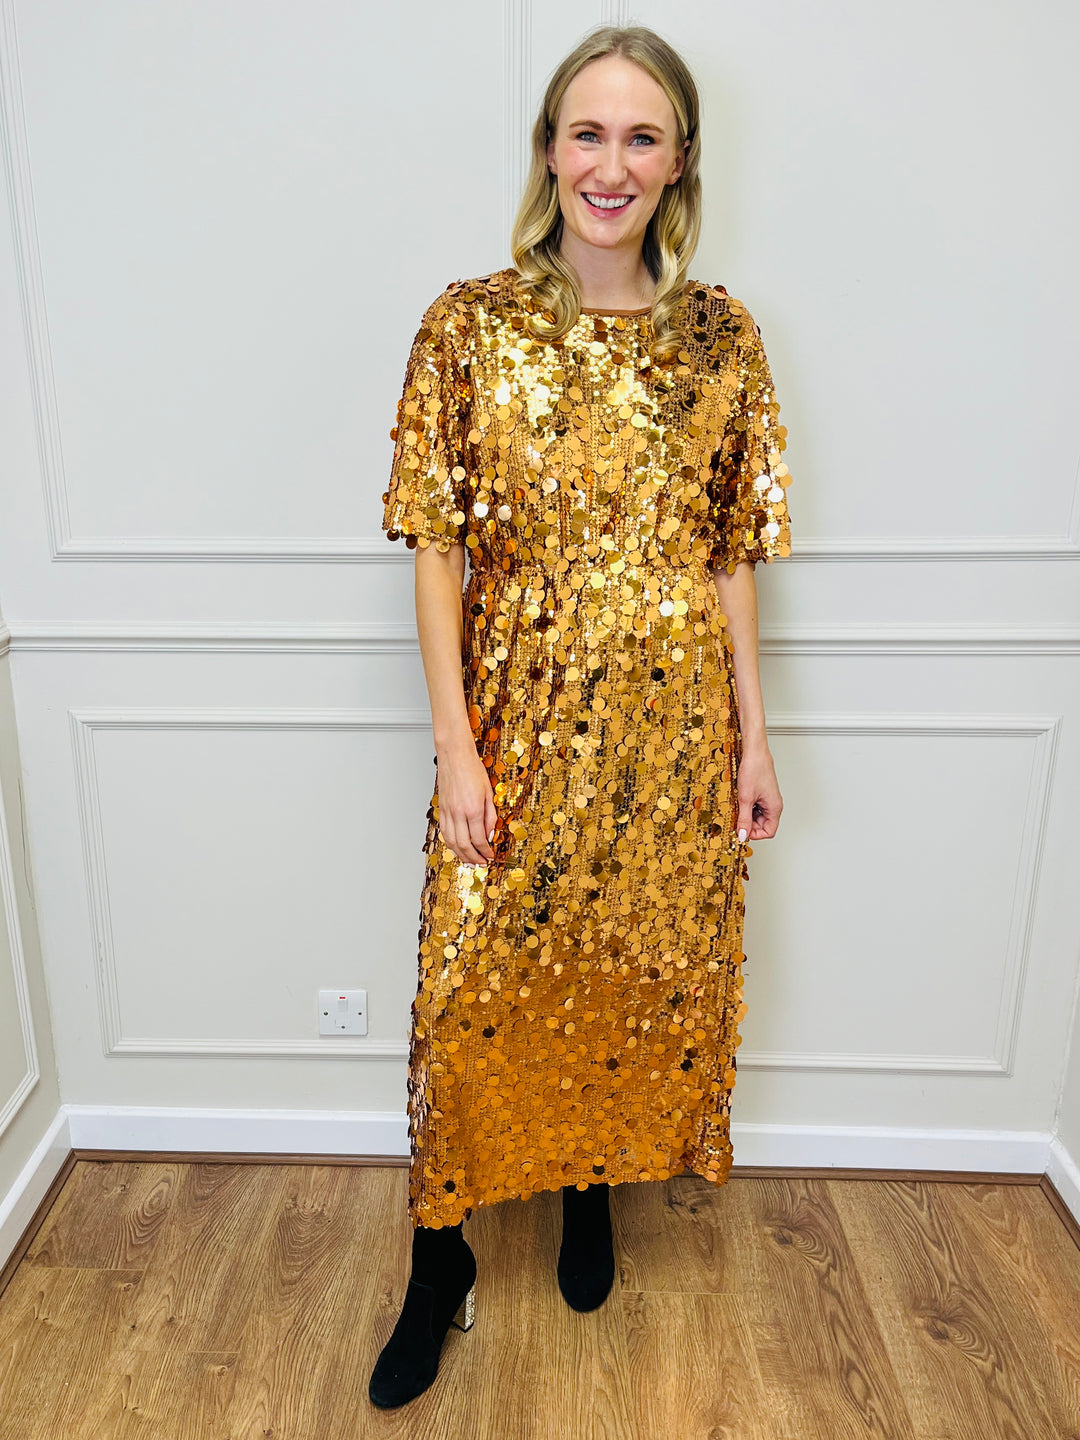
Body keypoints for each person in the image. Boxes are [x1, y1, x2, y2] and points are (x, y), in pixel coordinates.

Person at [369, 23, 794, 1410]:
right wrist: (457, 747)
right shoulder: (470, 326)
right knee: (466, 996)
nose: (612, 164)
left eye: (642, 137)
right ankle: (437, 1260)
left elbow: (729, 551)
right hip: (516, 718)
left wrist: (754, 735)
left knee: (619, 972)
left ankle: (590, 1190)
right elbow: (437, 544)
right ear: (550, 151)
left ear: (680, 163)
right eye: (588, 133)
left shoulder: (722, 338)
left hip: (668, 735)